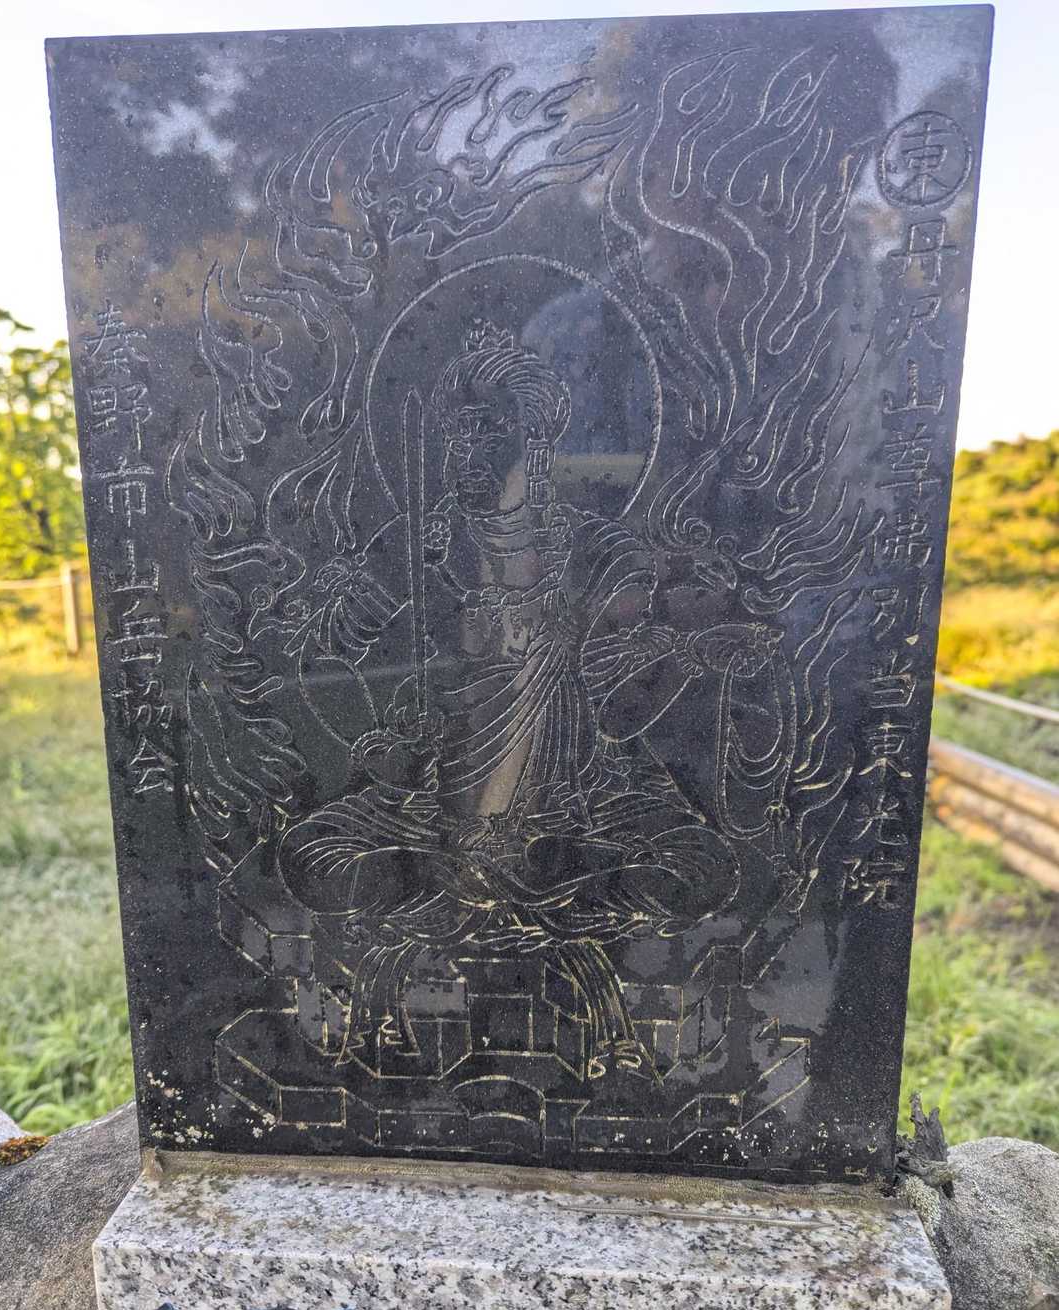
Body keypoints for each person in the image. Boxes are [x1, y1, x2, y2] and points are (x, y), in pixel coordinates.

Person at [280, 321, 777, 1076]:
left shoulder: (600, 554)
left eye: (490, 433)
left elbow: (619, 708)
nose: (468, 454)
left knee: (702, 870)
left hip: (576, 800)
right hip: (436, 803)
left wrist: (682, 655)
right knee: (308, 858)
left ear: (536, 444)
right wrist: (335, 618)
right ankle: (516, 893)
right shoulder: (419, 547)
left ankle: (500, 888)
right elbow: (341, 661)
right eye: (458, 436)